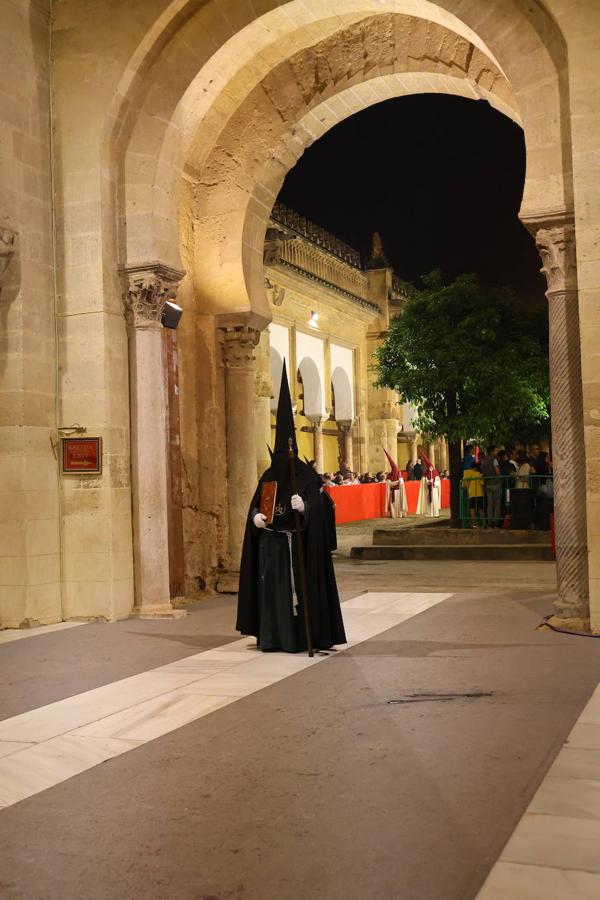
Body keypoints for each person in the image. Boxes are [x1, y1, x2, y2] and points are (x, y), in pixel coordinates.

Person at [237, 362, 346, 653]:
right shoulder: (269, 476)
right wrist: (256, 518)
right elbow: (256, 505)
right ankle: (274, 637)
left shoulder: (306, 476)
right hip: (272, 549)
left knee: (302, 595)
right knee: (274, 596)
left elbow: (323, 508)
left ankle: (305, 637)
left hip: (299, 548)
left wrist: (306, 507)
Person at [480, 445, 501, 527]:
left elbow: (483, 470)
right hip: (495, 483)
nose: (496, 452)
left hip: (487, 484)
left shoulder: (484, 460)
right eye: (495, 450)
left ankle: (489, 521)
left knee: (489, 504)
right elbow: (497, 472)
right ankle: (496, 521)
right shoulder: (494, 460)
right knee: (496, 504)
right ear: (492, 452)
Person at [462, 461, 484, 527]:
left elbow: (463, 485)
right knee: (480, 508)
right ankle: (483, 523)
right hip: (479, 493)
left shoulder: (465, 474)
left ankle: (474, 523)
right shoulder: (478, 474)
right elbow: (482, 483)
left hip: (471, 493)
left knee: (472, 508)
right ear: (475, 467)